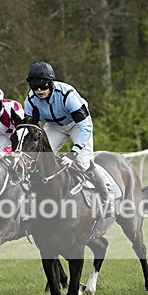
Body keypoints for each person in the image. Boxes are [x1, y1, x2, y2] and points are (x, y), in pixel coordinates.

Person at [23, 61, 115, 218]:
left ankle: (107, 199)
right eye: (34, 86)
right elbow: (30, 128)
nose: (39, 90)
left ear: (51, 83)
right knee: (37, 159)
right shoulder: (30, 101)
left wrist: (74, 152)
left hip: (76, 125)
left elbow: (86, 126)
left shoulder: (67, 95)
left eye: (43, 85)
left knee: (84, 162)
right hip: (53, 126)